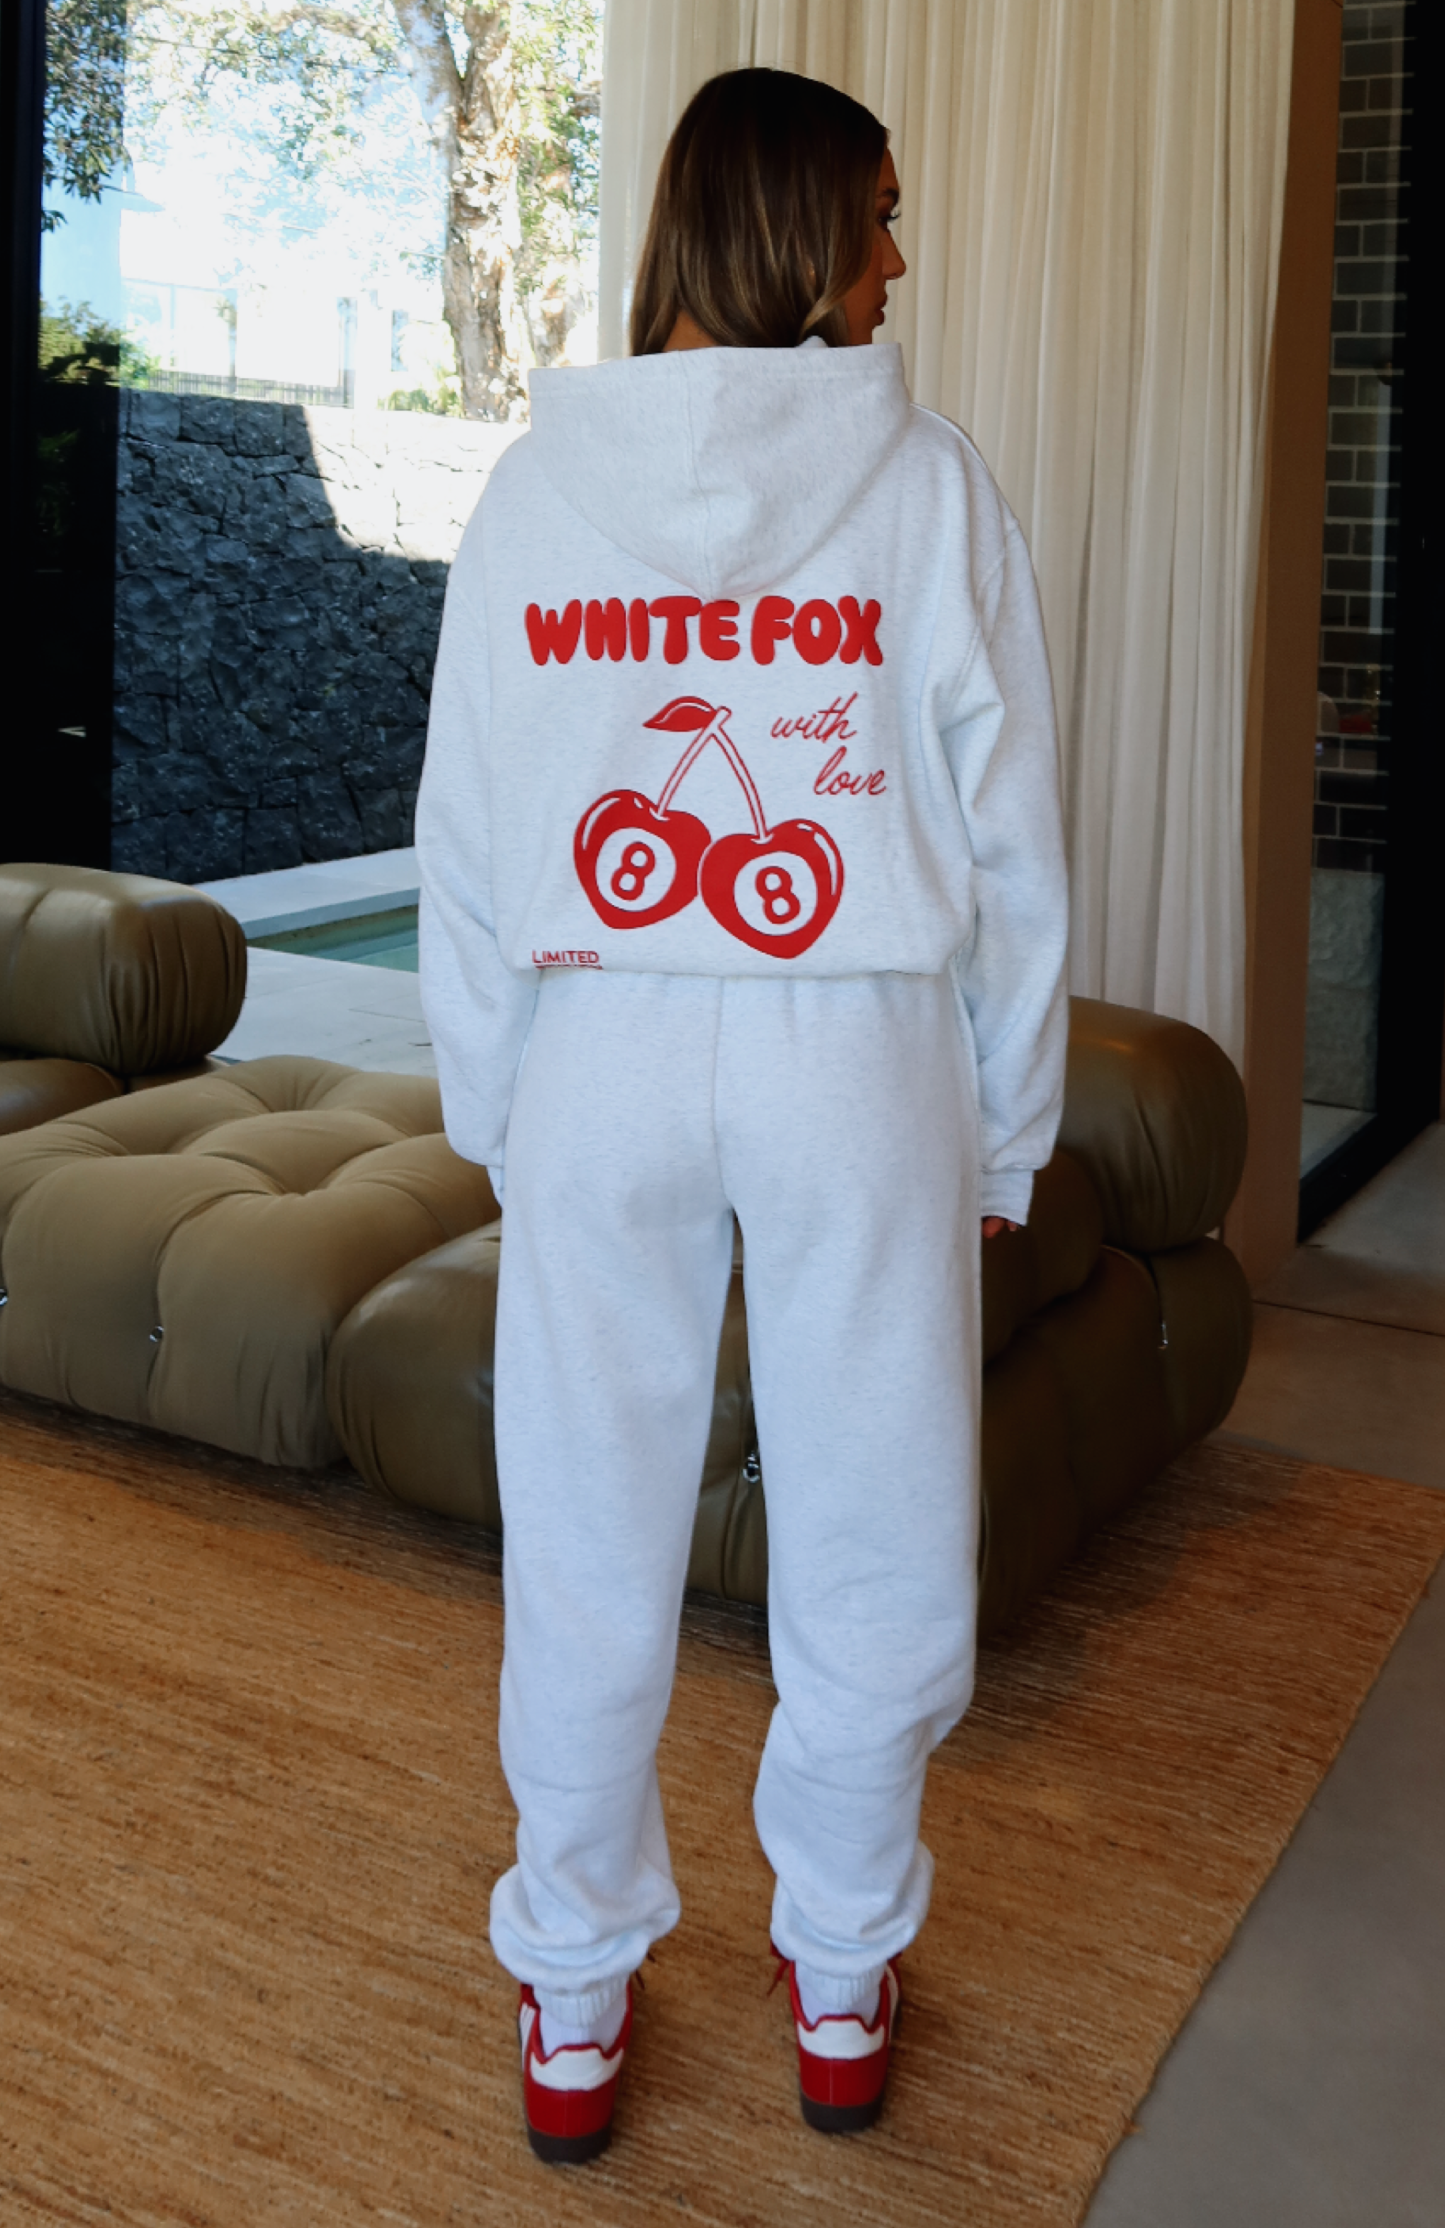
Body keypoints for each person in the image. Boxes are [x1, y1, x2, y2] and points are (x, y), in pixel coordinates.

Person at [416, 65, 1068, 2164]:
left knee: (584, 1533)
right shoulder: (928, 488)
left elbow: (466, 835)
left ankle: (574, 1992)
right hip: (853, 1054)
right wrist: (1005, 1122)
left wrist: (494, 1098)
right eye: (877, 218)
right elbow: (1012, 850)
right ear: (791, 228)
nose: (897, 261)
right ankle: (844, 1968)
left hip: (599, 1050)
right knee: (873, 1527)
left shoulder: (537, 492)